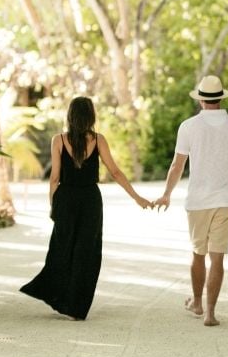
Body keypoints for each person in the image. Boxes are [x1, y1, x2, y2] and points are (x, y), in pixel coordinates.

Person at [20, 96, 152, 320]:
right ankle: (76, 307)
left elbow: (54, 178)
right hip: (90, 200)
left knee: (61, 251)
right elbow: (116, 172)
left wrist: (54, 205)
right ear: (91, 116)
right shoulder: (99, 140)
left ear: (70, 116)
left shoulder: (58, 140)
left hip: (66, 198)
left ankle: (57, 296)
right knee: (87, 253)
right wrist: (137, 197)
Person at [154, 75, 228, 327]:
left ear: (200, 100)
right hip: (226, 200)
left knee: (198, 254)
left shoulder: (188, 126)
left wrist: (167, 193)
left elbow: (177, 165)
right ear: (220, 98)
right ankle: (210, 313)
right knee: (217, 258)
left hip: (198, 200)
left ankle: (197, 302)